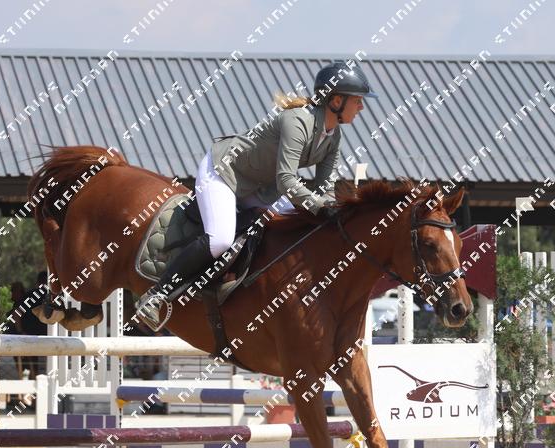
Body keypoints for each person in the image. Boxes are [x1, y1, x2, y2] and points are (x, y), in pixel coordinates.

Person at [135, 60, 378, 330]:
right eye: (357, 100)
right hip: (225, 173)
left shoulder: (333, 136)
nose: (362, 107)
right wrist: (319, 205)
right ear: (336, 101)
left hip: (260, 188)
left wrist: (338, 210)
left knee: (293, 227)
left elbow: (325, 187)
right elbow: (286, 179)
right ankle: (155, 296)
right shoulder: (298, 121)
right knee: (220, 239)